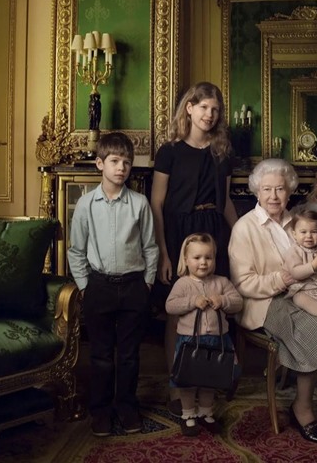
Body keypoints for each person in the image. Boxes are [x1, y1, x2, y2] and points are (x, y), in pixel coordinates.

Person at [229, 159, 317, 444]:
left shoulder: (300, 220)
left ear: (290, 190)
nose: (274, 196)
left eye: (280, 189)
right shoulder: (245, 228)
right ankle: (301, 406)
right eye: (267, 189)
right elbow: (244, 284)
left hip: (307, 291)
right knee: (313, 328)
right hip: (266, 301)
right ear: (256, 191)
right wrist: (283, 280)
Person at [150, 82, 238, 416]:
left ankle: (212, 379)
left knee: (216, 307)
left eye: (215, 109)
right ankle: (178, 384)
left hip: (213, 230)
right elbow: (157, 203)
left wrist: (239, 234)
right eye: (203, 107)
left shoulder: (222, 152)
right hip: (178, 232)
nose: (209, 114)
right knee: (180, 311)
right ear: (189, 108)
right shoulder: (169, 151)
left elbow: (226, 200)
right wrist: (163, 251)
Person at [68, 132, 159, 437]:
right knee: (101, 355)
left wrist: (146, 284)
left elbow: (150, 247)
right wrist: (84, 286)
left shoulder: (140, 203)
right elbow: (76, 250)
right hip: (99, 287)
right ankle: (101, 411)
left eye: (127, 163)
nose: (121, 168)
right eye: (115, 161)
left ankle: (127, 407)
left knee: (130, 354)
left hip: (134, 286)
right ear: (100, 164)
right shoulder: (85, 205)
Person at [165, 233, 243, 437]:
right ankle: (188, 414)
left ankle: (205, 413)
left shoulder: (222, 282)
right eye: (197, 257)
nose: (203, 262)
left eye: (208, 257)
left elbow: (238, 302)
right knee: (188, 381)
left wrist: (223, 301)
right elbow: (170, 306)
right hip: (190, 342)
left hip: (217, 341)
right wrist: (192, 301)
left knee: (210, 380)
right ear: (186, 260)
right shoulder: (182, 284)